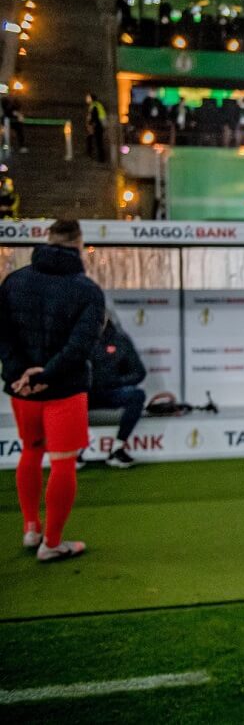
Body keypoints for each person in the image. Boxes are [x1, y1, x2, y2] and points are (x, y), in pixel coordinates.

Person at [0, 220, 106, 561]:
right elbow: (82, 345)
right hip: (64, 390)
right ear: (79, 243)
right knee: (63, 464)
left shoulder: (14, 282)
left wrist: (22, 374)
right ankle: (52, 543)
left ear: (46, 240)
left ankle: (32, 529)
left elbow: (4, 335)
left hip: (24, 391)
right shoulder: (87, 290)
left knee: (30, 453)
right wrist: (48, 373)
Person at [89, 314, 147, 468]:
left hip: (112, 392)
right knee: (69, 395)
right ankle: (73, 450)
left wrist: (116, 382)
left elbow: (139, 372)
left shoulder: (120, 340)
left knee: (137, 395)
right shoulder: (77, 338)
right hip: (83, 393)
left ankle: (117, 448)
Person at [85, 93, 107, 163]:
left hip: (97, 126)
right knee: (96, 141)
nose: (86, 99)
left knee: (98, 142)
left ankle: (100, 158)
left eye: (88, 97)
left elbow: (94, 116)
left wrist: (90, 124)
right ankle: (97, 156)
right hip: (98, 125)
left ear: (91, 98)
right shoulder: (95, 105)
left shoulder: (94, 105)